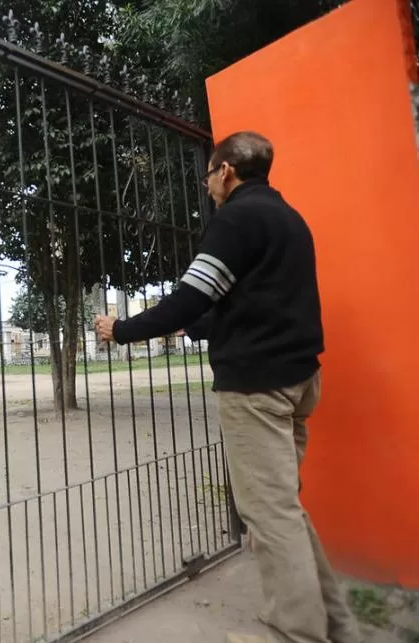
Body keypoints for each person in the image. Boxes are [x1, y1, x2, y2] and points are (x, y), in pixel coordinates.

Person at [94, 131, 362, 643]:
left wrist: (121, 330)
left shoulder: (235, 219)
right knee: (282, 506)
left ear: (226, 172)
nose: (206, 183)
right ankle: (338, 626)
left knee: (268, 511)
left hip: (258, 386)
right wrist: (188, 325)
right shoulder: (288, 218)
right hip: (299, 377)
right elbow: (244, 305)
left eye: (209, 173)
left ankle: (295, 633)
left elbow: (192, 296)